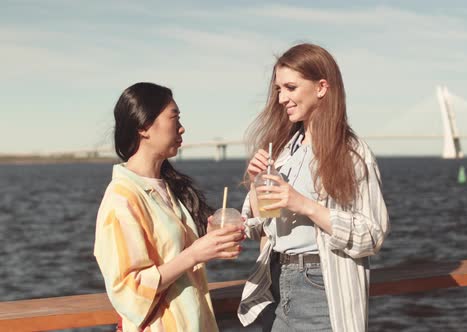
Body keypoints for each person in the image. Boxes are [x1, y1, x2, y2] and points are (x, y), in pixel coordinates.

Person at [238, 44, 390, 331]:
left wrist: (303, 204)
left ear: (321, 87)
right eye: (278, 89)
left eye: (291, 87)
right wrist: (257, 184)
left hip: (319, 286)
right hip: (275, 280)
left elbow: (371, 234)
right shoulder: (283, 151)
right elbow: (260, 225)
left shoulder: (352, 153)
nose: (282, 98)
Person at [94, 82, 244, 332]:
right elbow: (128, 291)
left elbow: (172, 256)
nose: (182, 127)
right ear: (143, 127)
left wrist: (209, 241)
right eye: (175, 117)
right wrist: (194, 253)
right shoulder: (121, 198)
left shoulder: (165, 188)